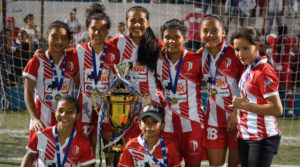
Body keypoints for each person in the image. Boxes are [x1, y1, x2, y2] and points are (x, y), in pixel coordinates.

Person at [107, 6, 164, 141]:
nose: (137, 25)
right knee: (129, 145)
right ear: (126, 23)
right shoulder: (119, 42)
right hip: (125, 104)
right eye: (133, 21)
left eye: (141, 21)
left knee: (150, 144)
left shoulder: (157, 45)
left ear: (148, 23)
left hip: (150, 101)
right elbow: (96, 48)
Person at [230, 26, 283, 167]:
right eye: (237, 49)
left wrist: (243, 105)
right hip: (245, 136)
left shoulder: (264, 71)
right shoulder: (249, 67)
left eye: (245, 48)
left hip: (262, 139)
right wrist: (238, 111)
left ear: (257, 45)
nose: (240, 53)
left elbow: (277, 109)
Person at [156, 18, 206, 167]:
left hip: (193, 123)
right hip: (168, 125)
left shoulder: (196, 59)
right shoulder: (158, 62)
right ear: (162, 39)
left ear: (185, 38)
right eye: (167, 37)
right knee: (169, 164)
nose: (171, 41)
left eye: (176, 37)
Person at [74, 3, 119, 160]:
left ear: (107, 31)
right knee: (88, 150)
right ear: (88, 29)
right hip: (85, 106)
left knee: (111, 148)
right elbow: (59, 53)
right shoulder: (79, 50)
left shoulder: (115, 52)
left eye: (102, 29)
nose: (97, 32)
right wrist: (41, 54)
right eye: (94, 28)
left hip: (107, 107)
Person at [197, 14, 243, 167]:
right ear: (200, 33)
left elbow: (248, 86)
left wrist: (237, 114)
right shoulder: (199, 56)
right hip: (213, 120)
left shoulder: (236, 53)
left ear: (223, 32)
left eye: (214, 30)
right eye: (205, 31)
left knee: (235, 165)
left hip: (237, 119)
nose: (209, 35)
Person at [23, 20, 79, 140]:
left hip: (66, 122)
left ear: (68, 41)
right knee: (37, 157)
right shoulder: (36, 61)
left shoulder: (74, 60)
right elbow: (28, 92)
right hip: (41, 122)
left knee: (64, 157)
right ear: (46, 37)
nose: (58, 41)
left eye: (63, 38)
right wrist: (34, 118)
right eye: (54, 37)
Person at [21, 96, 96, 167]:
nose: (64, 115)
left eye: (70, 112)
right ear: (55, 112)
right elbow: (31, 155)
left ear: (77, 115)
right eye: (60, 111)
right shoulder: (41, 134)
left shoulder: (83, 142)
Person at [265, 25, 297, 117]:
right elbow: (296, 40)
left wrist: (275, 36)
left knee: (274, 90)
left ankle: (275, 111)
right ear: (286, 32)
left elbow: (267, 37)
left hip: (275, 69)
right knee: (288, 90)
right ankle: (291, 111)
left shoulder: (273, 39)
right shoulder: (290, 40)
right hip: (286, 69)